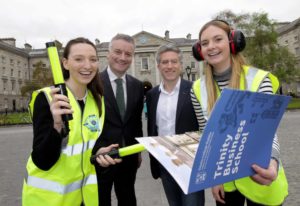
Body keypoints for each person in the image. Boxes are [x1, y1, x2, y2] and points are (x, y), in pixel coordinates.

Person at [191, 20, 288, 206]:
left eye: (217, 39)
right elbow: (206, 134)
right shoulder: (196, 88)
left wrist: (272, 162)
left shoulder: (260, 80)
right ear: (199, 50)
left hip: (259, 170)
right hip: (224, 178)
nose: (211, 46)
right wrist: (213, 178)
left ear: (232, 42)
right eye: (205, 43)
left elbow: (268, 131)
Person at [22, 37, 104, 206]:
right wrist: (57, 126)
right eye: (79, 59)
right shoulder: (48, 98)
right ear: (65, 63)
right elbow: (42, 161)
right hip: (48, 200)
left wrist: (99, 154)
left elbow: (84, 149)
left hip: (84, 198)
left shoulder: (97, 101)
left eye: (93, 59)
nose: (87, 66)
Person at [146, 43, 205, 206]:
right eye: (165, 62)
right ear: (158, 66)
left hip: (190, 164)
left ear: (180, 65)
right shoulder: (152, 95)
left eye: (174, 62)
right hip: (165, 163)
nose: (169, 66)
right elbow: (152, 128)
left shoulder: (195, 90)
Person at [92, 34, 144, 206]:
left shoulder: (137, 85)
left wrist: (138, 152)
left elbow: (136, 122)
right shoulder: (93, 83)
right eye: (118, 52)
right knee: (101, 200)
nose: (123, 58)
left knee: (128, 199)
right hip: (101, 156)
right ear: (108, 53)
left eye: (128, 54)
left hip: (128, 157)